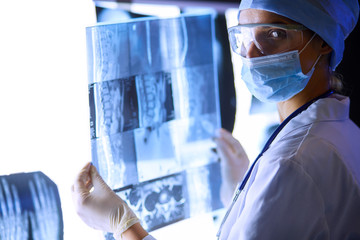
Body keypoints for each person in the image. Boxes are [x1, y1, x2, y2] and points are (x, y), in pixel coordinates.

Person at [71, 0, 360, 239]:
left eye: (274, 34)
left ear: (323, 41)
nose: (250, 54)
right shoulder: (343, 132)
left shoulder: (293, 164)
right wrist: (243, 196)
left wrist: (124, 226)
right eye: (245, 35)